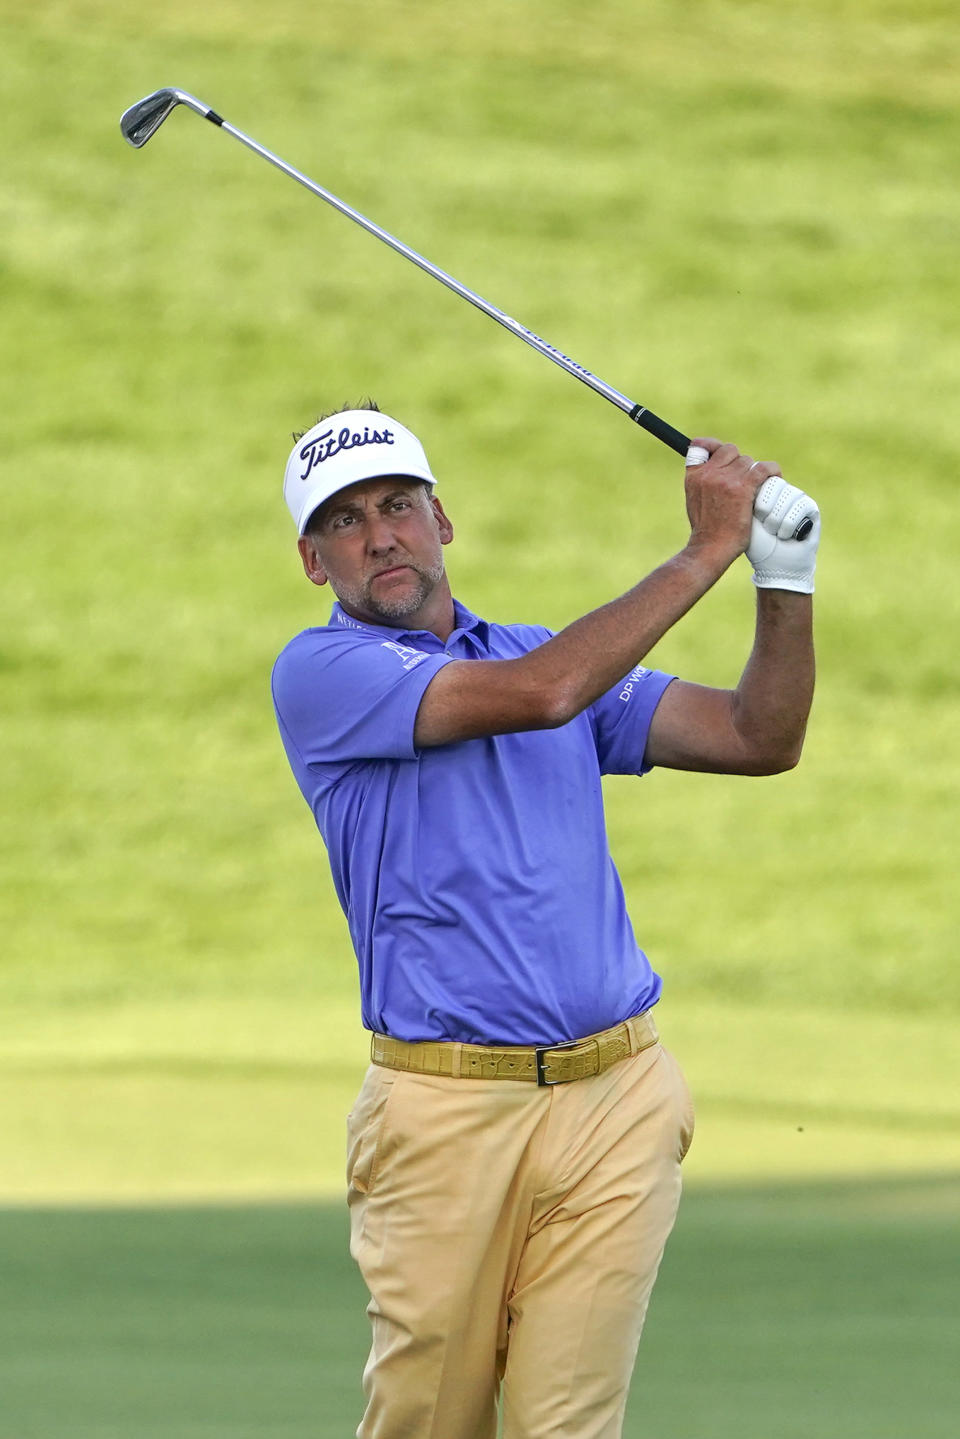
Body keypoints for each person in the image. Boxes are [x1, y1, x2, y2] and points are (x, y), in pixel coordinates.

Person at [271, 403, 818, 1439]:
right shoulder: (322, 675)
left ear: (444, 519)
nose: (380, 534)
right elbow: (546, 691)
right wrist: (708, 544)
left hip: (618, 1095)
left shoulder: (544, 655)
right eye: (344, 522)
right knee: (430, 1422)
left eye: (398, 505)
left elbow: (759, 735)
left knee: (569, 1424)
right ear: (312, 560)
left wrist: (781, 581)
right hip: (444, 1113)